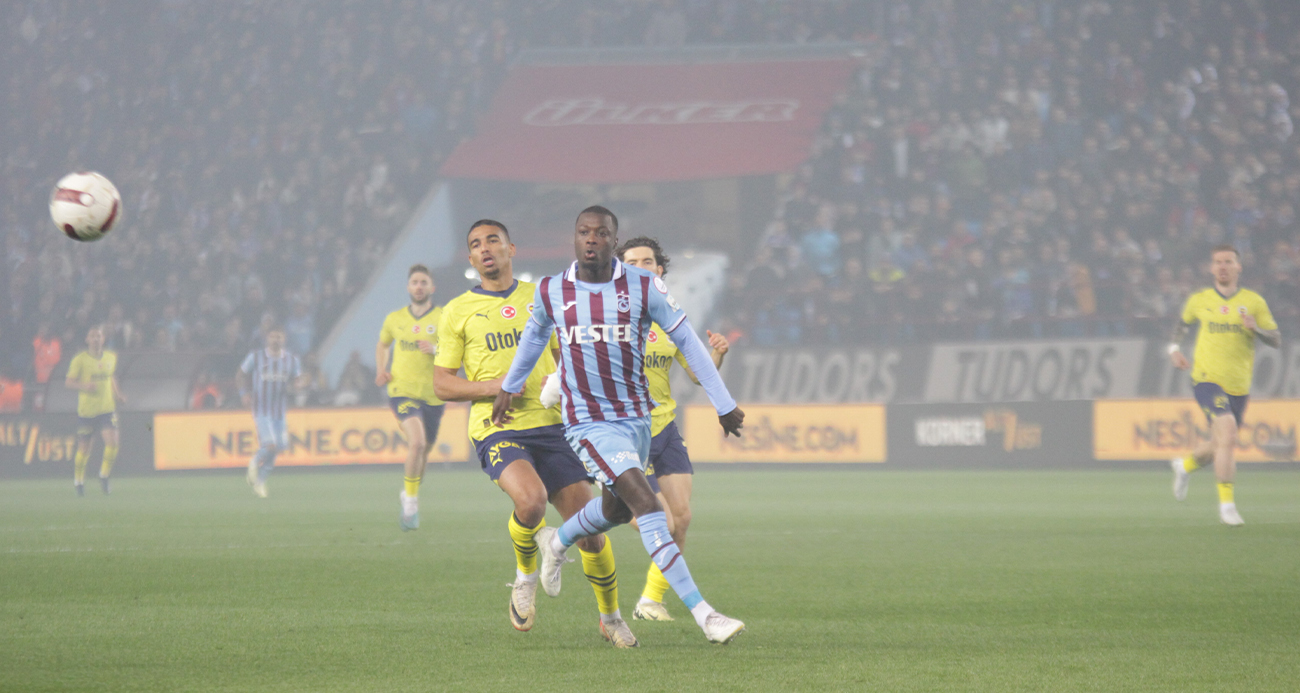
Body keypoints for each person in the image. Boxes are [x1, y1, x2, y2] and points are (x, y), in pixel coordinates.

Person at [492, 206, 747, 645]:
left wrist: (723, 403)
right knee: (648, 506)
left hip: (635, 419)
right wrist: (510, 386)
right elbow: (534, 337)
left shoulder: (644, 287)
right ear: (574, 238)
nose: (592, 239)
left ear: (614, 240)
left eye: (602, 232)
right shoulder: (553, 290)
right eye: (583, 232)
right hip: (586, 424)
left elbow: (686, 339)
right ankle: (705, 615)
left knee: (616, 509)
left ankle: (556, 542)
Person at [433, 219, 634, 646]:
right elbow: (442, 383)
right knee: (531, 500)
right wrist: (495, 387)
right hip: (498, 426)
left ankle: (611, 617)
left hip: (554, 425)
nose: (485, 248)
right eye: (475, 244)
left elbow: (571, 353)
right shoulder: (456, 311)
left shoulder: (544, 296)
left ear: (511, 249)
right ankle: (525, 575)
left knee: (592, 534)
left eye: (493, 240)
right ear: (470, 259)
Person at [617, 236, 730, 622]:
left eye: (648, 261)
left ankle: (650, 599)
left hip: (664, 428)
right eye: (633, 261)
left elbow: (698, 375)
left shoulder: (668, 317)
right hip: (626, 432)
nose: (642, 267)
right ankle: (591, 515)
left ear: (659, 269)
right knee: (660, 520)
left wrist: (716, 353)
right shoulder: (606, 316)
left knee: (681, 518)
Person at [1168, 245, 1280, 526]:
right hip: (1206, 379)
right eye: (1217, 262)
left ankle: (1185, 466)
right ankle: (1227, 506)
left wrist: (1257, 329)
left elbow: (1276, 339)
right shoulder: (1200, 300)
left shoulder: (1254, 302)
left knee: (1220, 443)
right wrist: (1174, 348)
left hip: (1239, 386)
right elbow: (1182, 325)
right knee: (1228, 431)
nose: (1222, 267)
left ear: (1238, 267)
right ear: (1211, 267)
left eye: (1228, 262)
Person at [375, 265, 445, 531]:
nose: (418, 286)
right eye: (414, 282)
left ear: (431, 287)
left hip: (433, 395)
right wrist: (381, 368)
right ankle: (411, 505)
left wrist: (437, 349)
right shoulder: (395, 319)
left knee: (423, 453)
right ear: (408, 287)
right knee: (416, 444)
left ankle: (409, 492)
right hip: (401, 391)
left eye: (423, 282)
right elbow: (383, 344)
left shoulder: (443, 317)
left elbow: (458, 349)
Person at [236, 326, 306, 498]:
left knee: (280, 446)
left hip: (279, 411)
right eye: (273, 336)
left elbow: (298, 379)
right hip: (261, 409)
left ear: (285, 339)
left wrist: (299, 385)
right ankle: (253, 463)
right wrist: (243, 394)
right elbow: (240, 374)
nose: (276, 339)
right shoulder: (256, 356)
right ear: (267, 338)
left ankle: (260, 481)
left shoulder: (291, 360)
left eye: (279, 336)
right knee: (271, 445)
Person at [64, 326, 124, 496]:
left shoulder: (111, 357)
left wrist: (118, 394)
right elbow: (68, 382)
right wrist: (84, 386)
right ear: (87, 339)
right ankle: (79, 481)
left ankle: (104, 476)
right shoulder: (80, 359)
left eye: (98, 336)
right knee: (84, 449)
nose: (96, 339)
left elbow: (111, 376)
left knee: (113, 443)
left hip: (107, 409)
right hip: (87, 411)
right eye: (92, 336)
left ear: (103, 339)